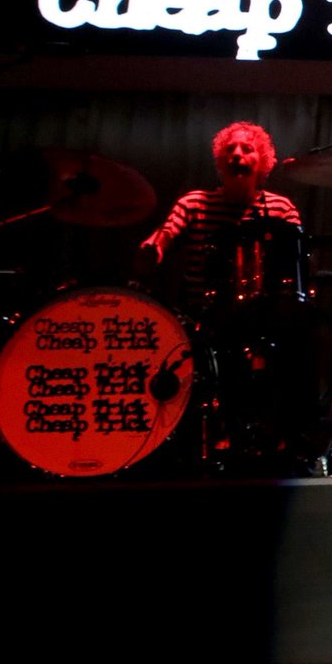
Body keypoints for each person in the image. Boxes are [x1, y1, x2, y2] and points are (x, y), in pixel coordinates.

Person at [138, 121, 314, 470]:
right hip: (204, 316)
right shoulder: (195, 203)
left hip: (265, 318)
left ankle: (285, 441)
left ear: (263, 162)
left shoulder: (280, 207)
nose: (237, 154)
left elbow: (295, 261)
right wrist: (152, 248)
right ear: (219, 162)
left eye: (246, 149)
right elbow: (166, 233)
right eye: (229, 150)